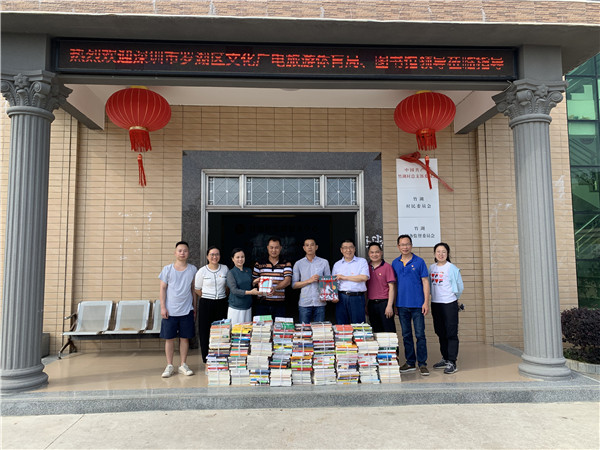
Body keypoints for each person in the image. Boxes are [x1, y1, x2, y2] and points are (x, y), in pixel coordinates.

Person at [392, 234, 431, 376]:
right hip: (402, 305)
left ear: (411, 245)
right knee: (406, 335)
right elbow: (394, 285)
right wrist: (395, 304)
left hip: (418, 305)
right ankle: (410, 362)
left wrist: (426, 302)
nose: (405, 247)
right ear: (398, 247)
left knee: (420, 335)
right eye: (402, 244)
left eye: (407, 244)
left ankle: (422, 363)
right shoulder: (395, 263)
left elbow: (425, 282)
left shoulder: (419, 261)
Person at [158, 241, 197, 378]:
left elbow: (193, 290)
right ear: (175, 253)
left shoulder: (193, 269)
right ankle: (169, 365)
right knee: (169, 339)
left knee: (185, 338)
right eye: (180, 250)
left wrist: (194, 308)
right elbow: (162, 289)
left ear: (188, 253)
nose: (182, 253)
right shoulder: (167, 269)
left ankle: (183, 364)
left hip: (187, 309)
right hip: (170, 310)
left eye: (185, 250)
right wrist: (163, 307)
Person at [429, 242, 464, 375]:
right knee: (440, 332)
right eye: (438, 252)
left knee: (451, 333)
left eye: (444, 252)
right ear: (434, 254)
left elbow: (460, 287)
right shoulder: (431, 268)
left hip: (449, 303)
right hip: (436, 303)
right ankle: (445, 358)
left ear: (448, 253)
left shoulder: (452, 268)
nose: (441, 254)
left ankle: (452, 361)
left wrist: (455, 299)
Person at [194, 246, 229, 363]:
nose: (215, 257)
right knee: (205, 331)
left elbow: (227, 286)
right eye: (212, 254)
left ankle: (220, 357)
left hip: (221, 302)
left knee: (221, 330)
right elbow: (197, 289)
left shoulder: (225, 269)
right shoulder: (202, 271)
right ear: (207, 256)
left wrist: (221, 296)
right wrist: (208, 296)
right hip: (206, 303)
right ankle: (206, 358)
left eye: (217, 254)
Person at [292, 238, 332, 324]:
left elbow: (330, 282)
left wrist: (321, 280)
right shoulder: (298, 264)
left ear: (316, 247)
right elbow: (294, 285)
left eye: (312, 245)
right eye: (307, 245)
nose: (309, 247)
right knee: (304, 329)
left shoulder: (324, 262)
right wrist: (309, 281)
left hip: (320, 302)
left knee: (319, 330)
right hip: (305, 302)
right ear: (304, 248)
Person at [252, 236, 292, 319]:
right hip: (262, 303)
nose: (274, 250)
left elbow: (287, 281)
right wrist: (257, 283)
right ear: (267, 248)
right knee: (263, 327)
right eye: (271, 247)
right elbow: (253, 281)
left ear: (280, 248)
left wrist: (275, 288)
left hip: (279, 304)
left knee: (279, 326)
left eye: (276, 247)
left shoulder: (286, 263)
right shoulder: (259, 263)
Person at [332, 239, 369, 325]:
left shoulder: (362, 261)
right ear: (341, 250)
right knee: (342, 326)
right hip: (341, 298)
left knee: (358, 326)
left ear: (354, 249)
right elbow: (333, 282)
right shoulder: (337, 264)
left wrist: (344, 277)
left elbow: (364, 277)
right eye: (345, 248)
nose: (348, 250)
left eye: (351, 247)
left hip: (357, 298)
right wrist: (333, 296)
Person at [365, 242, 397, 333]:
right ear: (368, 254)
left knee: (389, 332)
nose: (374, 254)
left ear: (381, 252)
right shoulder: (366, 267)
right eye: (372, 252)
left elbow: (392, 287)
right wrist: (365, 305)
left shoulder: (387, 267)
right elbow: (365, 288)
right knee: (376, 332)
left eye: (377, 252)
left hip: (384, 303)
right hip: (371, 304)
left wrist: (389, 306)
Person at [226, 248, 260, 324]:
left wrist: (254, 282)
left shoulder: (248, 270)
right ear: (233, 259)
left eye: (242, 257)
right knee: (236, 330)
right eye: (237, 257)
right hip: (236, 308)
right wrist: (250, 292)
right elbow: (234, 290)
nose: (240, 259)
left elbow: (248, 285)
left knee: (247, 329)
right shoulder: (231, 273)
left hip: (247, 306)